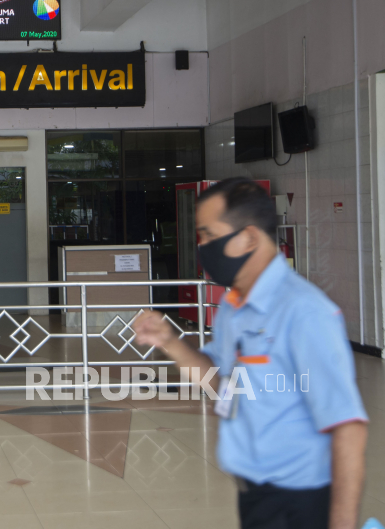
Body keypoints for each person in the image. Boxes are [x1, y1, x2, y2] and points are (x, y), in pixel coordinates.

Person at [133, 177, 368, 529]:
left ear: (250, 237)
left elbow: (347, 427)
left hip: (300, 498)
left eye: (210, 235)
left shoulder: (303, 311)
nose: (203, 246)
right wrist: (169, 341)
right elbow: (218, 382)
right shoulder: (232, 304)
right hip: (255, 491)